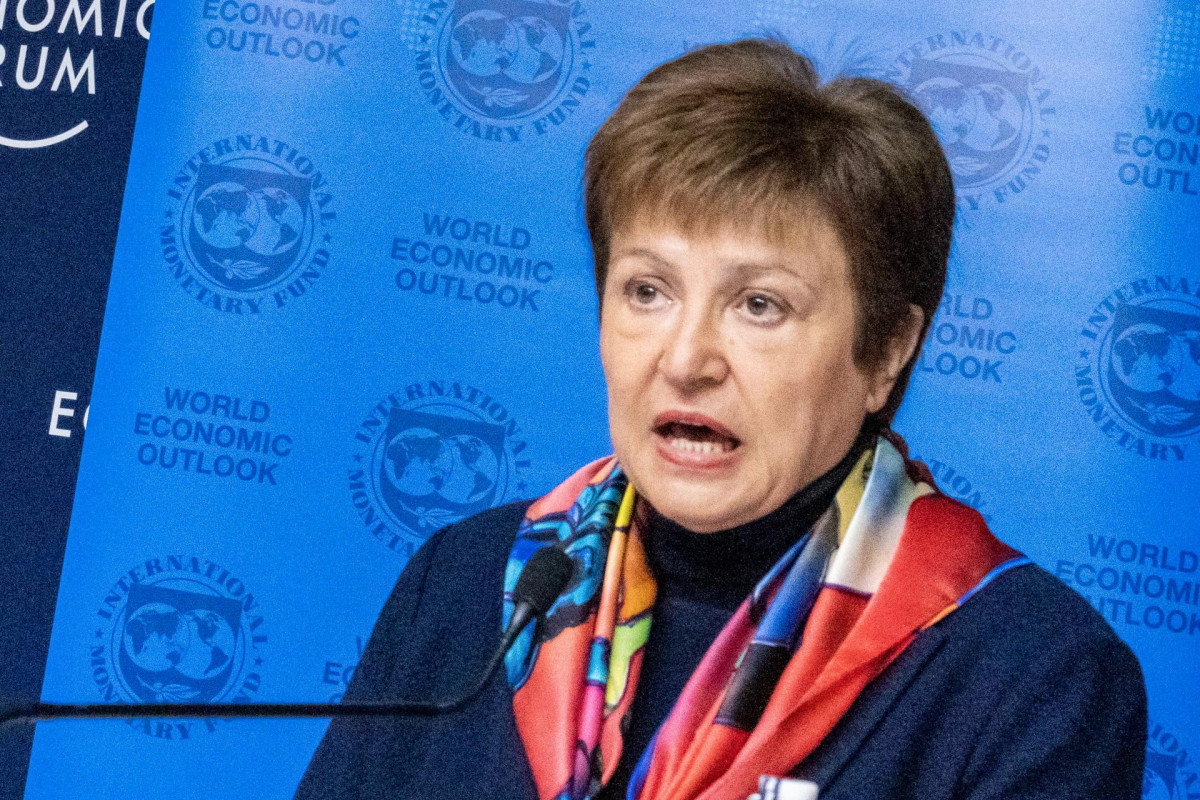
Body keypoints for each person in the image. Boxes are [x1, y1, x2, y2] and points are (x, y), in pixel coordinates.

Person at [295, 39, 1146, 800]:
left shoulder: (1032, 677)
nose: (686, 358)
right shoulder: (470, 584)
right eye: (647, 291)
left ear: (887, 350)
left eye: (760, 304)